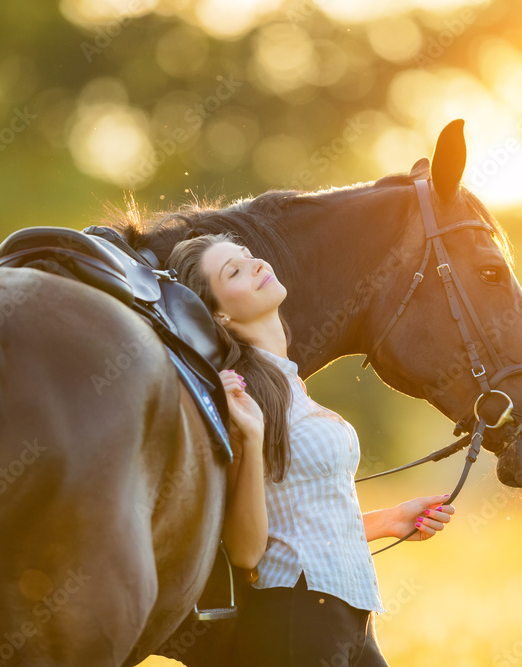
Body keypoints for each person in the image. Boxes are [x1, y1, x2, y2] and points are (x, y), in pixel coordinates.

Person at [166, 232, 455, 667]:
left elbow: (296, 518)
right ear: (219, 314)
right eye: (235, 270)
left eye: (249, 256)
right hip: (296, 618)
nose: (256, 264)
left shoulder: (288, 384)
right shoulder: (240, 396)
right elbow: (246, 551)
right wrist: (249, 434)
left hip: (349, 613)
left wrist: (389, 520)